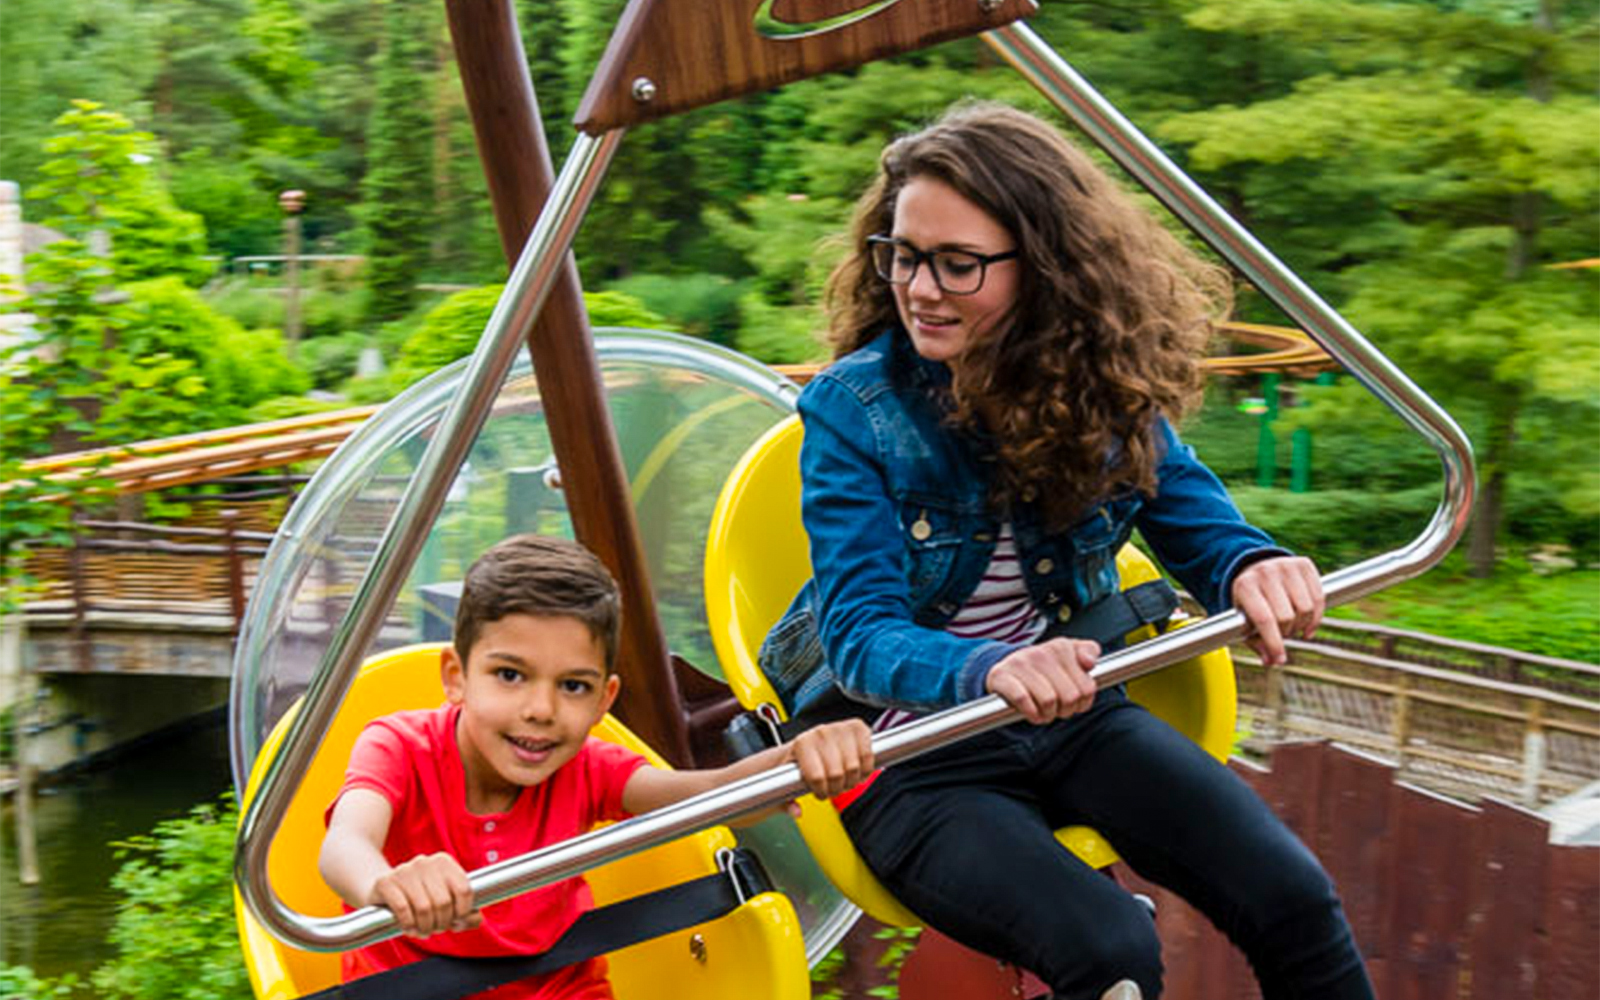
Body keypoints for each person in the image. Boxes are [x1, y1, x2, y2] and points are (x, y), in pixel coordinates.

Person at [759, 101, 1375, 1000]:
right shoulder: (858, 412)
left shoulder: (1098, 382)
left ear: (1045, 267)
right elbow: (858, 638)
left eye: (957, 264)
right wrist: (992, 668)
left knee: (1293, 899)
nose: (920, 288)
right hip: (908, 749)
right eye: (903, 255)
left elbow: (1194, 515)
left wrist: (1251, 565)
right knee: (1106, 950)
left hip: (1063, 720)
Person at [321, 534, 873, 1000]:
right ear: (456, 676)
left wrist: (794, 757)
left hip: (555, 987)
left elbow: (703, 796)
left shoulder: (587, 768)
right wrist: (388, 884)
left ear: (604, 699)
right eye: (511, 675)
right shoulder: (398, 746)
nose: (541, 710)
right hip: (412, 988)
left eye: (573, 686)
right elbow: (344, 844)